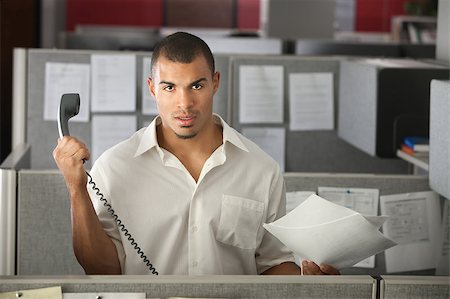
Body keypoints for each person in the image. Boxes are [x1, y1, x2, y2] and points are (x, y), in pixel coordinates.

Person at [53, 32, 339, 276]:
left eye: (196, 86)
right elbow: (100, 270)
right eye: (169, 87)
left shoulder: (261, 169)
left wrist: (311, 282)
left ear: (215, 82)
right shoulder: (114, 167)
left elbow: (272, 265)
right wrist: (76, 188)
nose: (185, 104)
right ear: (152, 88)